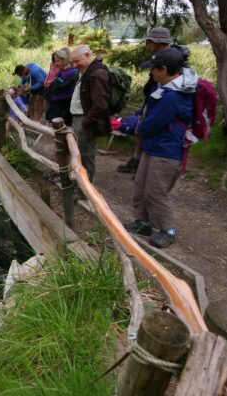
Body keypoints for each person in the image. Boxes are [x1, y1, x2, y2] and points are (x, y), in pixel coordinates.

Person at [124, 48, 194, 248]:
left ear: (164, 69)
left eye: (154, 69)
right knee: (140, 185)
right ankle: (142, 222)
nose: (152, 73)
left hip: (166, 151)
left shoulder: (174, 95)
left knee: (155, 191)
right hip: (153, 147)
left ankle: (168, 229)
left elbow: (155, 122)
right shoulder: (164, 88)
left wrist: (134, 126)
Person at [118, 27, 192, 173]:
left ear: (159, 42)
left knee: (144, 129)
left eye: (150, 41)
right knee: (144, 128)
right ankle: (139, 161)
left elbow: (155, 121)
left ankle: (139, 162)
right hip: (155, 99)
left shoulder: (170, 60)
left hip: (163, 107)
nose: (149, 45)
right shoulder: (166, 56)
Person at [69, 44, 111, 183]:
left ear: (87, 55)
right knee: (78, 152)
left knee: (85, 155)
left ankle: (85, 189)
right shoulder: (87, 71)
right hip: (80, 118)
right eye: (72, 62)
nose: (74, 65)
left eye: (77, 61)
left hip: (85, 120)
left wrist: (86, 122)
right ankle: (79, 184)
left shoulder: (96, 74)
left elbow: (100, 104)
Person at [44, 47, 79, 123]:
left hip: (64, 109)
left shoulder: (73, 73)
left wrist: (50, 95)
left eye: (58, 61)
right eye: (55, 61)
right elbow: (56, 84)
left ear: (65, 60)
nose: (56, 64)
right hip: (57, 106)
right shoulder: (62, 71)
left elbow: (61, 88)